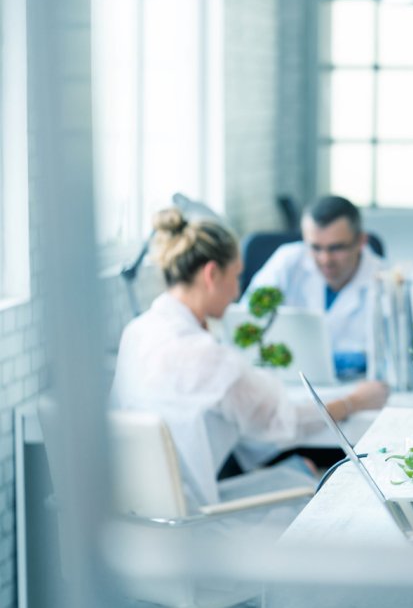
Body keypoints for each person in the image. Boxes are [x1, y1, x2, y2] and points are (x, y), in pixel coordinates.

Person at [110, 208, 389, 508]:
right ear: (211, 274)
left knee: (292, 473)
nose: (236, 292)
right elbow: (286, 421)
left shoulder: (137, 331)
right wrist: (356, 401)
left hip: (139, 513)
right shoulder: (208, 357)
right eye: (236, 276)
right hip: (193, 518)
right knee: (317, 486)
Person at [246, 195, 382, 377]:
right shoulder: (287, 262)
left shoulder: (384, 282)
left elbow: (384, 357)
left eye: (336, 248)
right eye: (315, 248)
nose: (325, 259)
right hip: (288, 383)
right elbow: (246, 320)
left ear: (361, 241)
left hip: (354, 388)